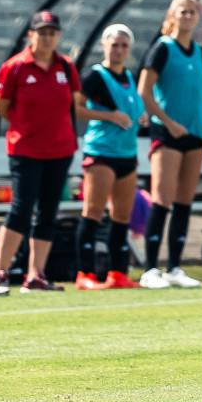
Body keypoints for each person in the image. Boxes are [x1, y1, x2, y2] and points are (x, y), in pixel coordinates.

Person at [0, 10, 82, 290]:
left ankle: (36, 274)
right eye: (41, 32)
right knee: (21, 208)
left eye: (51, 32)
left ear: (59, 36)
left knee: (48, 211)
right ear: (30, 34)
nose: (46, 37)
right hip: (26, 149)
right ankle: (1, 272)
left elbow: (75, 103)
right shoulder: (15, 67)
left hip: (60, 149)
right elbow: (1, 106)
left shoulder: (65, 66)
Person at [135, 0, 202, 288]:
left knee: (184, 201)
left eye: (193, 11)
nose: (189, 16)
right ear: (172, 15)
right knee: (163, 199)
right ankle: (150, 269)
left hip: (194, 134)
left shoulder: (200, 53)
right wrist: (168, 122)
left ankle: (175, 267)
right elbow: (145, 92)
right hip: (167, 134)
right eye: (183, 11)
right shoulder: (162, 48)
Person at [76, 25, 145, 289]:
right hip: (102, 151)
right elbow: (76, 107)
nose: (119, 50)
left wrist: (140, 117)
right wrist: (109, 116)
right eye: (114, 44)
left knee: (121, 216)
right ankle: (86, 273)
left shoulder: (129, 76)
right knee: (93, 211)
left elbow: (133, 109)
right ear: (105, 46)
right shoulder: (95, 76)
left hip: (126, 154)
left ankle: (118, 272)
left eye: (124, 45)